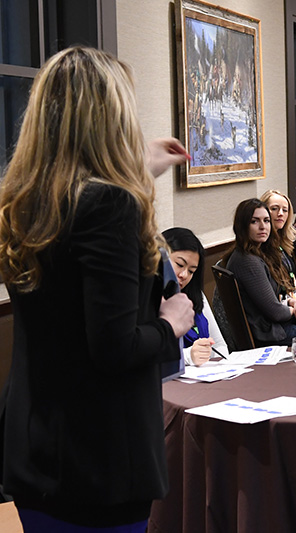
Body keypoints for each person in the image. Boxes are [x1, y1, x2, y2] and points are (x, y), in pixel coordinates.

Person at [0, 47, 194, 531]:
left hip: (38, 448)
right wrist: (171, 324)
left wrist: (135, 172)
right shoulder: (111, 204)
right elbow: (114, 347)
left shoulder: (25, 201)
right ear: (113, 118)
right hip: (100, 460)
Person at [220, 198, 296, 347]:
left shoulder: (259, 252)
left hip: (276, 325)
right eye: (254, 221)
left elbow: (270, 299)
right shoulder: (247, 260)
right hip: (271, 334)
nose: (263, 227)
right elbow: (275, 312)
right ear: (242, 226)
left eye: (267, 221)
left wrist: (293, 302)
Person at [163, 227, 229, 366]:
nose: (184, 275)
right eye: (179, 265)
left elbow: (220, 345)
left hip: (205, 374)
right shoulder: (148, 299)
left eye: (191, 271)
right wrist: (188, 356)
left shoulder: (195, 295)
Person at [260, 190, 296, 309]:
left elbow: (292, 281)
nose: (280, 213)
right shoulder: (261, 248)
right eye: (274, 209)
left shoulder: (282, 243)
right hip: (286, 313)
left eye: (285, 210)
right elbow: (273, 303)